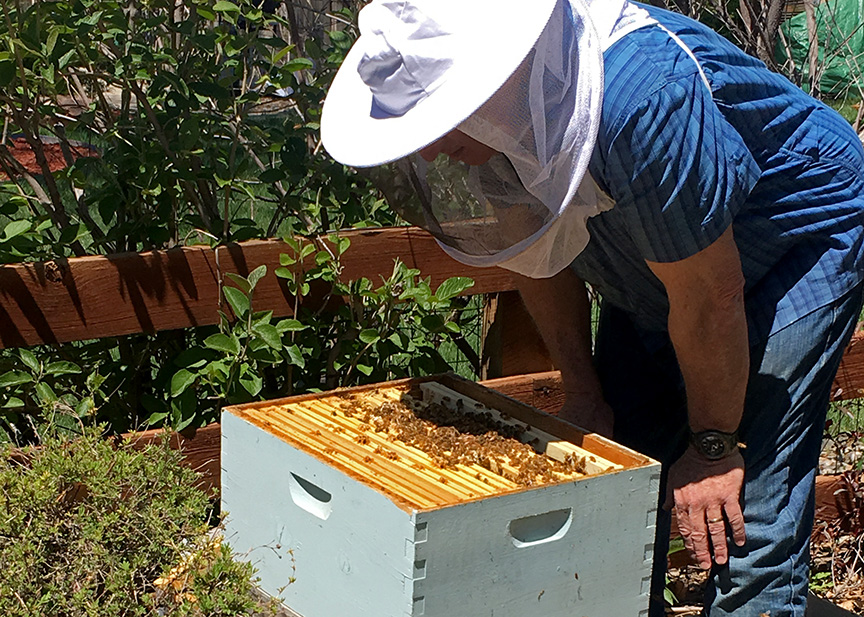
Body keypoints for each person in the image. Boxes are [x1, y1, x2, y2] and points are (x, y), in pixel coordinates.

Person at [320, 0, 864, 615]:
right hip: (671, 262)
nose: (428, 152)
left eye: (438, 120)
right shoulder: (511, 115)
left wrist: (713, 446)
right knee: (617, 472)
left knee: (740, 511)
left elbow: (711, 298)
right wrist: (584, 390)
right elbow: (537, 258)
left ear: (495, 83)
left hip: (795, 241)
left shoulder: (643, 99)